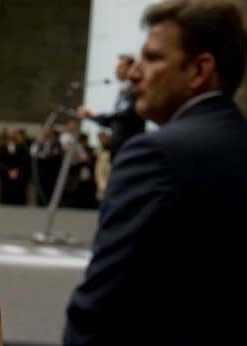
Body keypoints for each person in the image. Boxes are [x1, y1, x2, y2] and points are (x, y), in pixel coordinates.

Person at [63, 0, 247, 344]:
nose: (135, 73)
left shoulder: (156, 155)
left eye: (152, 58)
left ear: (199, 70)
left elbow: (101, 311)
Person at [76, 54, 146, 161]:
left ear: (130, 68)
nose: (116, 70)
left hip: (128, 147)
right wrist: (92, 117)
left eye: (120, 67)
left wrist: (93, 116)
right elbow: (116, 121)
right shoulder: (123, 91)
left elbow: (124, 115)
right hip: (118, 149)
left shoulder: (135, 90)